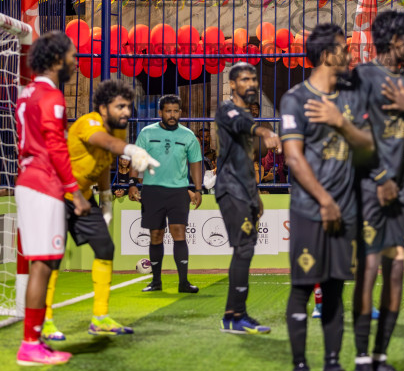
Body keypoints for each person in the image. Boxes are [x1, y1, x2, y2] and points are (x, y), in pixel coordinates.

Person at [280, 22, 374, 371]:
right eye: (343, 47)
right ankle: (300, 370)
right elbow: (293, 157)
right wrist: (324, 200)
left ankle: (332, 368)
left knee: (335, 290)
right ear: (325, 55)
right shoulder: (294, 99)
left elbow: (369, 146)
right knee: (303, 287)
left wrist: (340, 123)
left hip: (346, 211)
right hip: (310, 209)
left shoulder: (352, 97)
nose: (349, 53)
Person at [43, 77, 160, 341]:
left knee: (105, 248)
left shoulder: (118, 129)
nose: (127, 112)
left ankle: (100, 318)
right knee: (53, 256)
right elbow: (105, 144)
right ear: (104, 107)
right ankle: (45, 320)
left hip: (84, 197)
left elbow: (104, 162)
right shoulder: (90, 123)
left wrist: (106, 198)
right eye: (120, 107)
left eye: (129, 107)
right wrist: (131, 149)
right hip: (58, 195)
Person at [350, 10, 404, 371]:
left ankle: (380, 360)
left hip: (401, 191)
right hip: (368, 188)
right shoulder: (362, 77)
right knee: (370, 269)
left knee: (395, 272)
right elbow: (350, 133)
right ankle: (361, 362)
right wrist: (379, 177)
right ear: (395, 40)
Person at [14, 31, 90, 366]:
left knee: (40, 264)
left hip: (27, 179)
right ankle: (30, 344)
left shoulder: (26, 93)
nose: (75, 61)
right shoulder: (51, 96)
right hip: (44, 185)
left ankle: (36, 340)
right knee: (43, 266)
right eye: (72, 55)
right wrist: (74, 190)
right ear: (58, 59)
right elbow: (56, 146)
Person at [215, 63, 281, 334]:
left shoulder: (244, 114)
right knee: (244, 248)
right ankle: (236, 316)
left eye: (254, 79)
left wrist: (256, 195)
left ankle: (233, 315)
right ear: (232, 84)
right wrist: (265, 132)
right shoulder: (227, 110)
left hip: (245, 190)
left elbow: (246, 162)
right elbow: (244, 124)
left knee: (246, 249)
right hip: (230, 189)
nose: (250, 84)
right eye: (244, 79)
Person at [133, 95, 203, 294]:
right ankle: (156, 282)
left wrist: (198, 189)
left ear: (180, 112)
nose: (172, 115)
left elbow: (195, 163)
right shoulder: (147, 133)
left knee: (179, 233)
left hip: (178, 192)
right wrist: (132, 184)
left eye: (175, 111)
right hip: (152, 191)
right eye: (168, 111)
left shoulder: (188, 136)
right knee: (155, 235)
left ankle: (183, 283)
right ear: (160, 112)